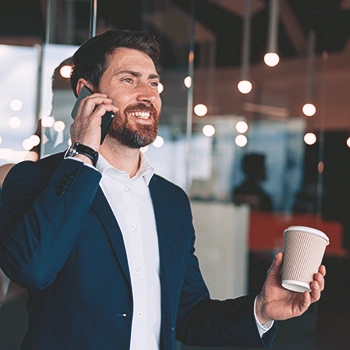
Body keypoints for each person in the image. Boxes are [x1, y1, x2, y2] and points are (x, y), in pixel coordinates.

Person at [0, 29, 325, 350]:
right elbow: (32, 268)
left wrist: (261, 310)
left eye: (154, 82)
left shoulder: (171, 200)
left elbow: (189, 315)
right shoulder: (35, 179)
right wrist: (83, 153)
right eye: (129, 80)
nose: (148, 93)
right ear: (87, 92)